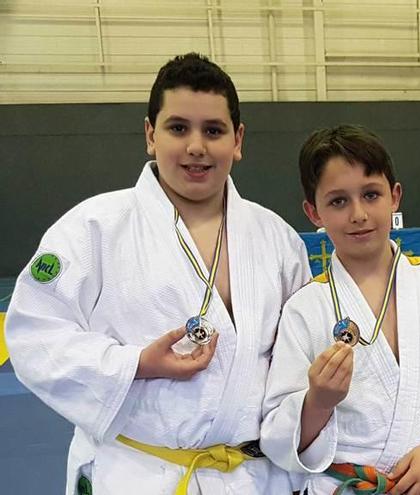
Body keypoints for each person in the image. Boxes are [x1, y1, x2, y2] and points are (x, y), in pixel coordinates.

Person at [5, 53, 311, 494]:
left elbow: (299, 360)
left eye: (213, 130)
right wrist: (134, 365)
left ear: (238, 140)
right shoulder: (93, 227)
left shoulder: (279, 240)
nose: (196, 147)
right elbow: (34, 336)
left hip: (253, 477)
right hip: (139, 474)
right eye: (178, 127)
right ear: (151, 134)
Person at [260, 124, 420, 494]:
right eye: (338, 201)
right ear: (314, 213)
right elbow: (279, 434)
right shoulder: (304, 309)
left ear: (394, 196)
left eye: (371, 195)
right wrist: (317, 402)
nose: (358, 214)